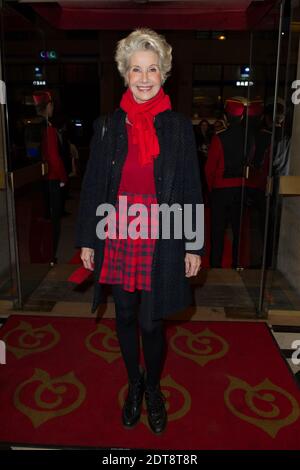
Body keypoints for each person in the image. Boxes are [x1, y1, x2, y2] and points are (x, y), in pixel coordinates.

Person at [74, 28, 204, 434]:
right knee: (125, 315)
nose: (144, 78)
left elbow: (190, 189)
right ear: (124, 74)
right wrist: (87, 239)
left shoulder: (179, 128)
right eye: (136, 70)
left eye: (152, 69)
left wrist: (193, 243)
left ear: (164, 73)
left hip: (162, 232)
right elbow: (94, 186)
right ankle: (134, 384)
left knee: (151, 321)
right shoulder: (108, 127)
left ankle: (153, 387)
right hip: (118, 230)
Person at [205, 98, 248, 268]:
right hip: (240, 189)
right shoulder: (248, 138)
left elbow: (209, 168)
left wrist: (211, 189)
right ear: (242, 117)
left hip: (221, 190)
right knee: (238, 231)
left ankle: (216, 265)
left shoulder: (219, 138)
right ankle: (237, 265)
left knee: (217, 230)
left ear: (226, 117)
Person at [32, 91, 68, 265]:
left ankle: (40, 253)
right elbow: (54, 157)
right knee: (54, 220)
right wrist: (63, 178)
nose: (53, 108)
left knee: (42, 217)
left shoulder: (33, 127)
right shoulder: (50, 129)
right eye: (52, 105)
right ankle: (50, 256)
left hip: (39, 179)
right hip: (53, 178)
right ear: (47, 107)